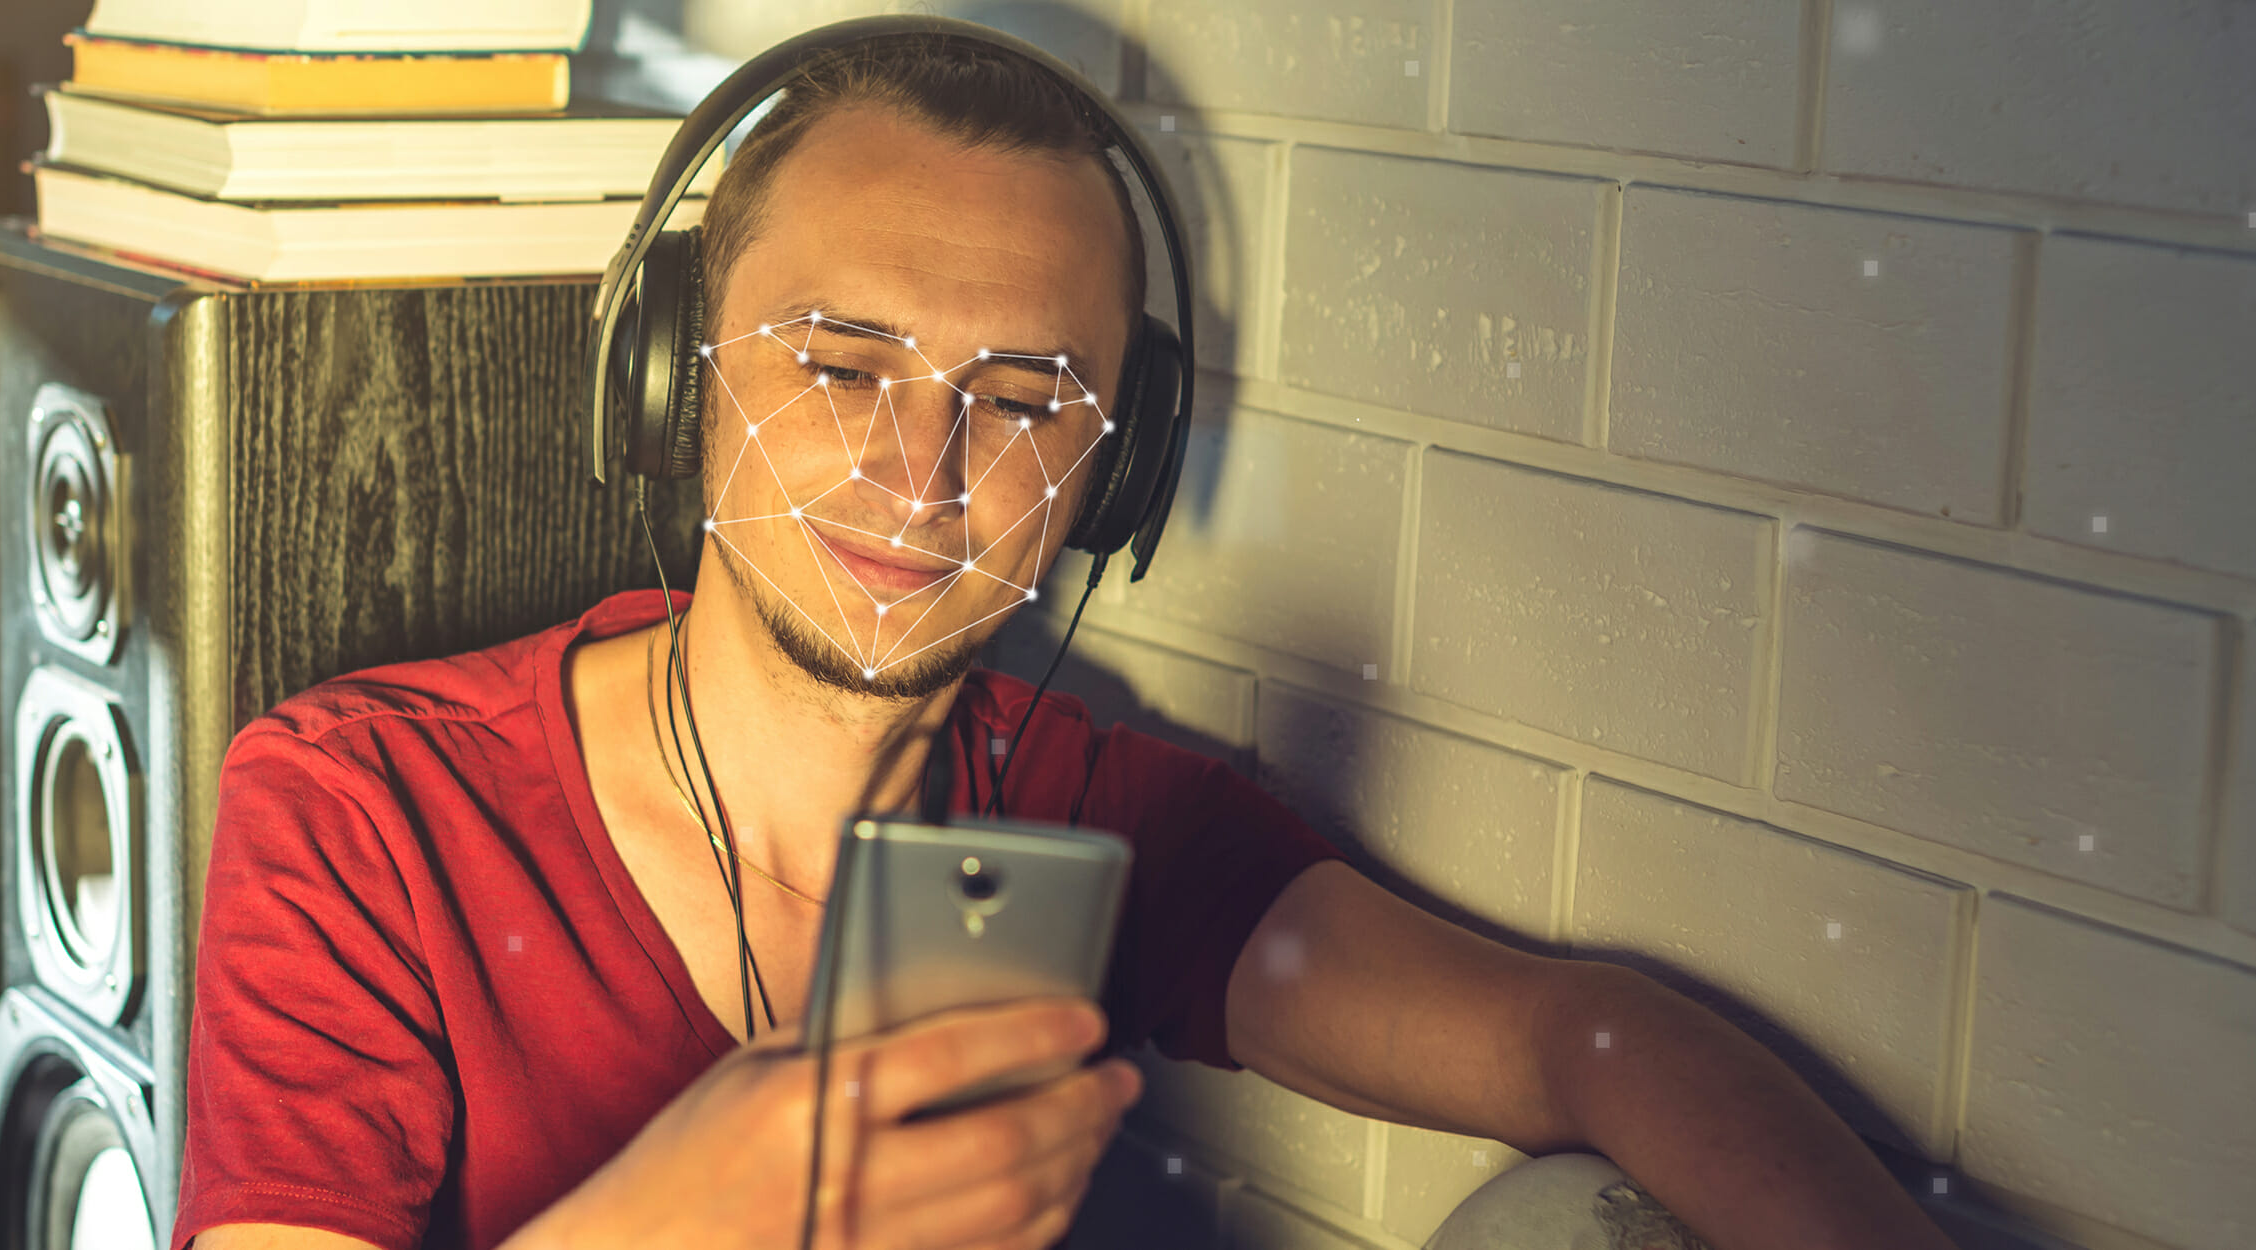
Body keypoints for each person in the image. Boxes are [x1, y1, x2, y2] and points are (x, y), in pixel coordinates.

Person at [171, 31, 1962, 1250]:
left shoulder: (1093, 823)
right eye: (843, 363)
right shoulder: (362, 813)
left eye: (1025, 399)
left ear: (1115, 481)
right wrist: (680, 1210)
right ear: (671, 378)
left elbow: (1589, 1046)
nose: (924, 471)